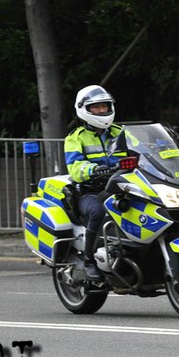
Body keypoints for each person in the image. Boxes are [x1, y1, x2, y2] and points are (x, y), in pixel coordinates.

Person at [64, 85, 127, 281]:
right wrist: (94, 169)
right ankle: (90, 260)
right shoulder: (76, 138)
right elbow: (74, 168)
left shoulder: (123, 132)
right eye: (96, 107)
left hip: (121, 186)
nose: (102, 111)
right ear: (84, 109)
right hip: (90, 191)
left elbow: (144, 153)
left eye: (104, 106)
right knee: (97, 212)